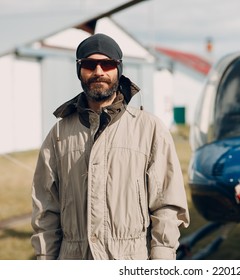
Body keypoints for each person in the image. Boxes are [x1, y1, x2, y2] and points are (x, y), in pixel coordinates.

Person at [30, 33, 190, 260]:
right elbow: (45, 211)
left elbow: (167, 206)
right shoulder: (58, 134)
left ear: (118, 69)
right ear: (79, 70)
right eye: (89, 64)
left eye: (107, 64)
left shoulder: (150, 129)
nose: (98, 72)